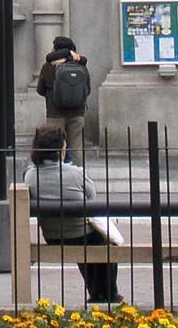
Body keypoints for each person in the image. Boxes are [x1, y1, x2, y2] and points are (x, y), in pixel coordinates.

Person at [23, 122, 121, 307]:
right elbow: (93, 199)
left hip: (52, 235)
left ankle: (98, 293)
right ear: (61, 150)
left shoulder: (30, 176)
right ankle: (106, 294)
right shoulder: (76, 173)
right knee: (104, 241)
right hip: (80, 234)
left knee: (90, 245)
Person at [36, 34, 91, 159]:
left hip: (55, 113)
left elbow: (40, 89)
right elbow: (87, 90)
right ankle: (78, 173)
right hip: (77, 112)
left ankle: (58, 173)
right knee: (77, 147)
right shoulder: (81, 66)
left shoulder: (48, 67)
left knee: (54, 146)